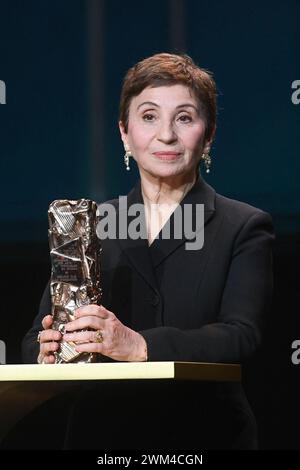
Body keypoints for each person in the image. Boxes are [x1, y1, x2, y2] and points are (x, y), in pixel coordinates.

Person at [22, 53, 274, 449]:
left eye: (185, 117)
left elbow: (241, 336)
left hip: (206, 435)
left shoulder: (244, 226)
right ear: (125, 133)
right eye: (149, 116)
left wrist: (139, 345)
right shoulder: (91, 223)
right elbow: (37, 332)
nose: (167, 135)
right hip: (102, 436)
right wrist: (48, 349)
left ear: (208, 135)